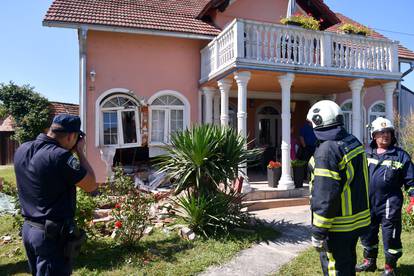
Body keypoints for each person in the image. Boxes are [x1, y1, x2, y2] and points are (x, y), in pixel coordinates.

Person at [14, 114, 98, 276]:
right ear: (72, 136)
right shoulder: (60, 156)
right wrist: (79, 151)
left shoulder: (22, 149)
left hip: (29, 230)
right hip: (51, 236)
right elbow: (91, 185)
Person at [307, 100, 370, 276]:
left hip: (337, 226)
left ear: (318, 122)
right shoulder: (352, 141)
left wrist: (319, 231)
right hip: (356, 222)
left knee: (336, 269)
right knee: (348, 265)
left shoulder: (327, 150)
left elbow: (325, 195)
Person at [356, 117, 414, 276]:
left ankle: (390, 267)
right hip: (368, 202)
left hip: (390, 204)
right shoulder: (365, 153)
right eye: (381, 132)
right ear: (374, 135)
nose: (385, 135)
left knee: (390, 235)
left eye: (388, 132)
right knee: (367, 233)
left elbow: (411, 181)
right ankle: (369, 262)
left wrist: (413, 198)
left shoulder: (401, 156)